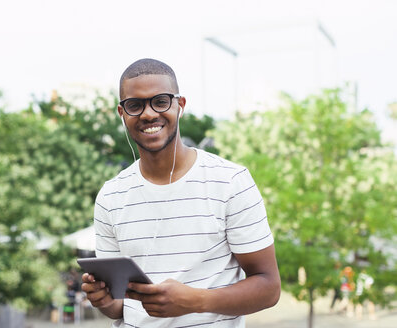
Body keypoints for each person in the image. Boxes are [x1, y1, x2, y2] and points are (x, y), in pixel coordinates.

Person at [81, 58, 281, 327]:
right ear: (122, 113)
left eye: (160, 101)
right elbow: (121, 306)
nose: (148, 113)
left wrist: (196, 301)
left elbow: (269, 288)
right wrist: (105, 301)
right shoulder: (110, 197)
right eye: (135, 105)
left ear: (180, 105)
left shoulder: (231, 181)